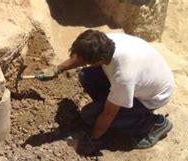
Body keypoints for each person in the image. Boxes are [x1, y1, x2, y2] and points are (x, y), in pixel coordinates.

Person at [36, 30, 174, 152]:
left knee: (91, 117)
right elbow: (81, 57)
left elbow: (108, 114)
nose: (81, 62)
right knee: (86, 75)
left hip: (152, 97)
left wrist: (92, 139)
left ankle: (155, 124)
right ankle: (111, 101)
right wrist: (58, 69)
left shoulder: (124, 76)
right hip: (147, 77)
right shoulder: (103, 42)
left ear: (99, 60)